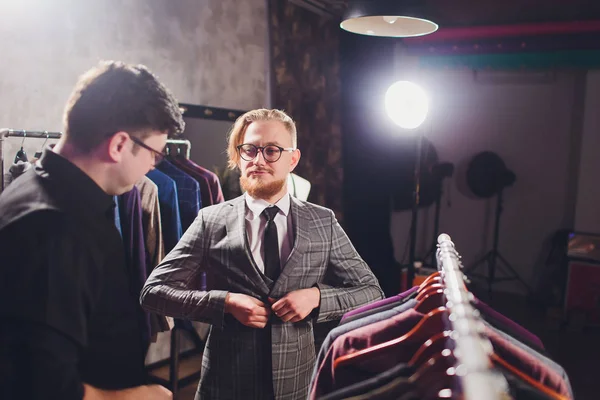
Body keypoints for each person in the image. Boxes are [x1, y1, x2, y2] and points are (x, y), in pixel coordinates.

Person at [141, 108, 384, 400]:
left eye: (271, 151)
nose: (258, 160)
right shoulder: (211, 220)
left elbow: (371, 291)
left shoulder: (322, 221)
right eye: (249, 150)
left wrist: (316, 298)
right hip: (225, 383)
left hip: (297, 383)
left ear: (292, 159)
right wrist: (225, 302)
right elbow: (153, 292)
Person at [0, 61, 184, 399]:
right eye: (154, 155)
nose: (152, 167)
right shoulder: (56, 227)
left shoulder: (34, 188)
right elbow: (37, 384)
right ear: (118, 145)